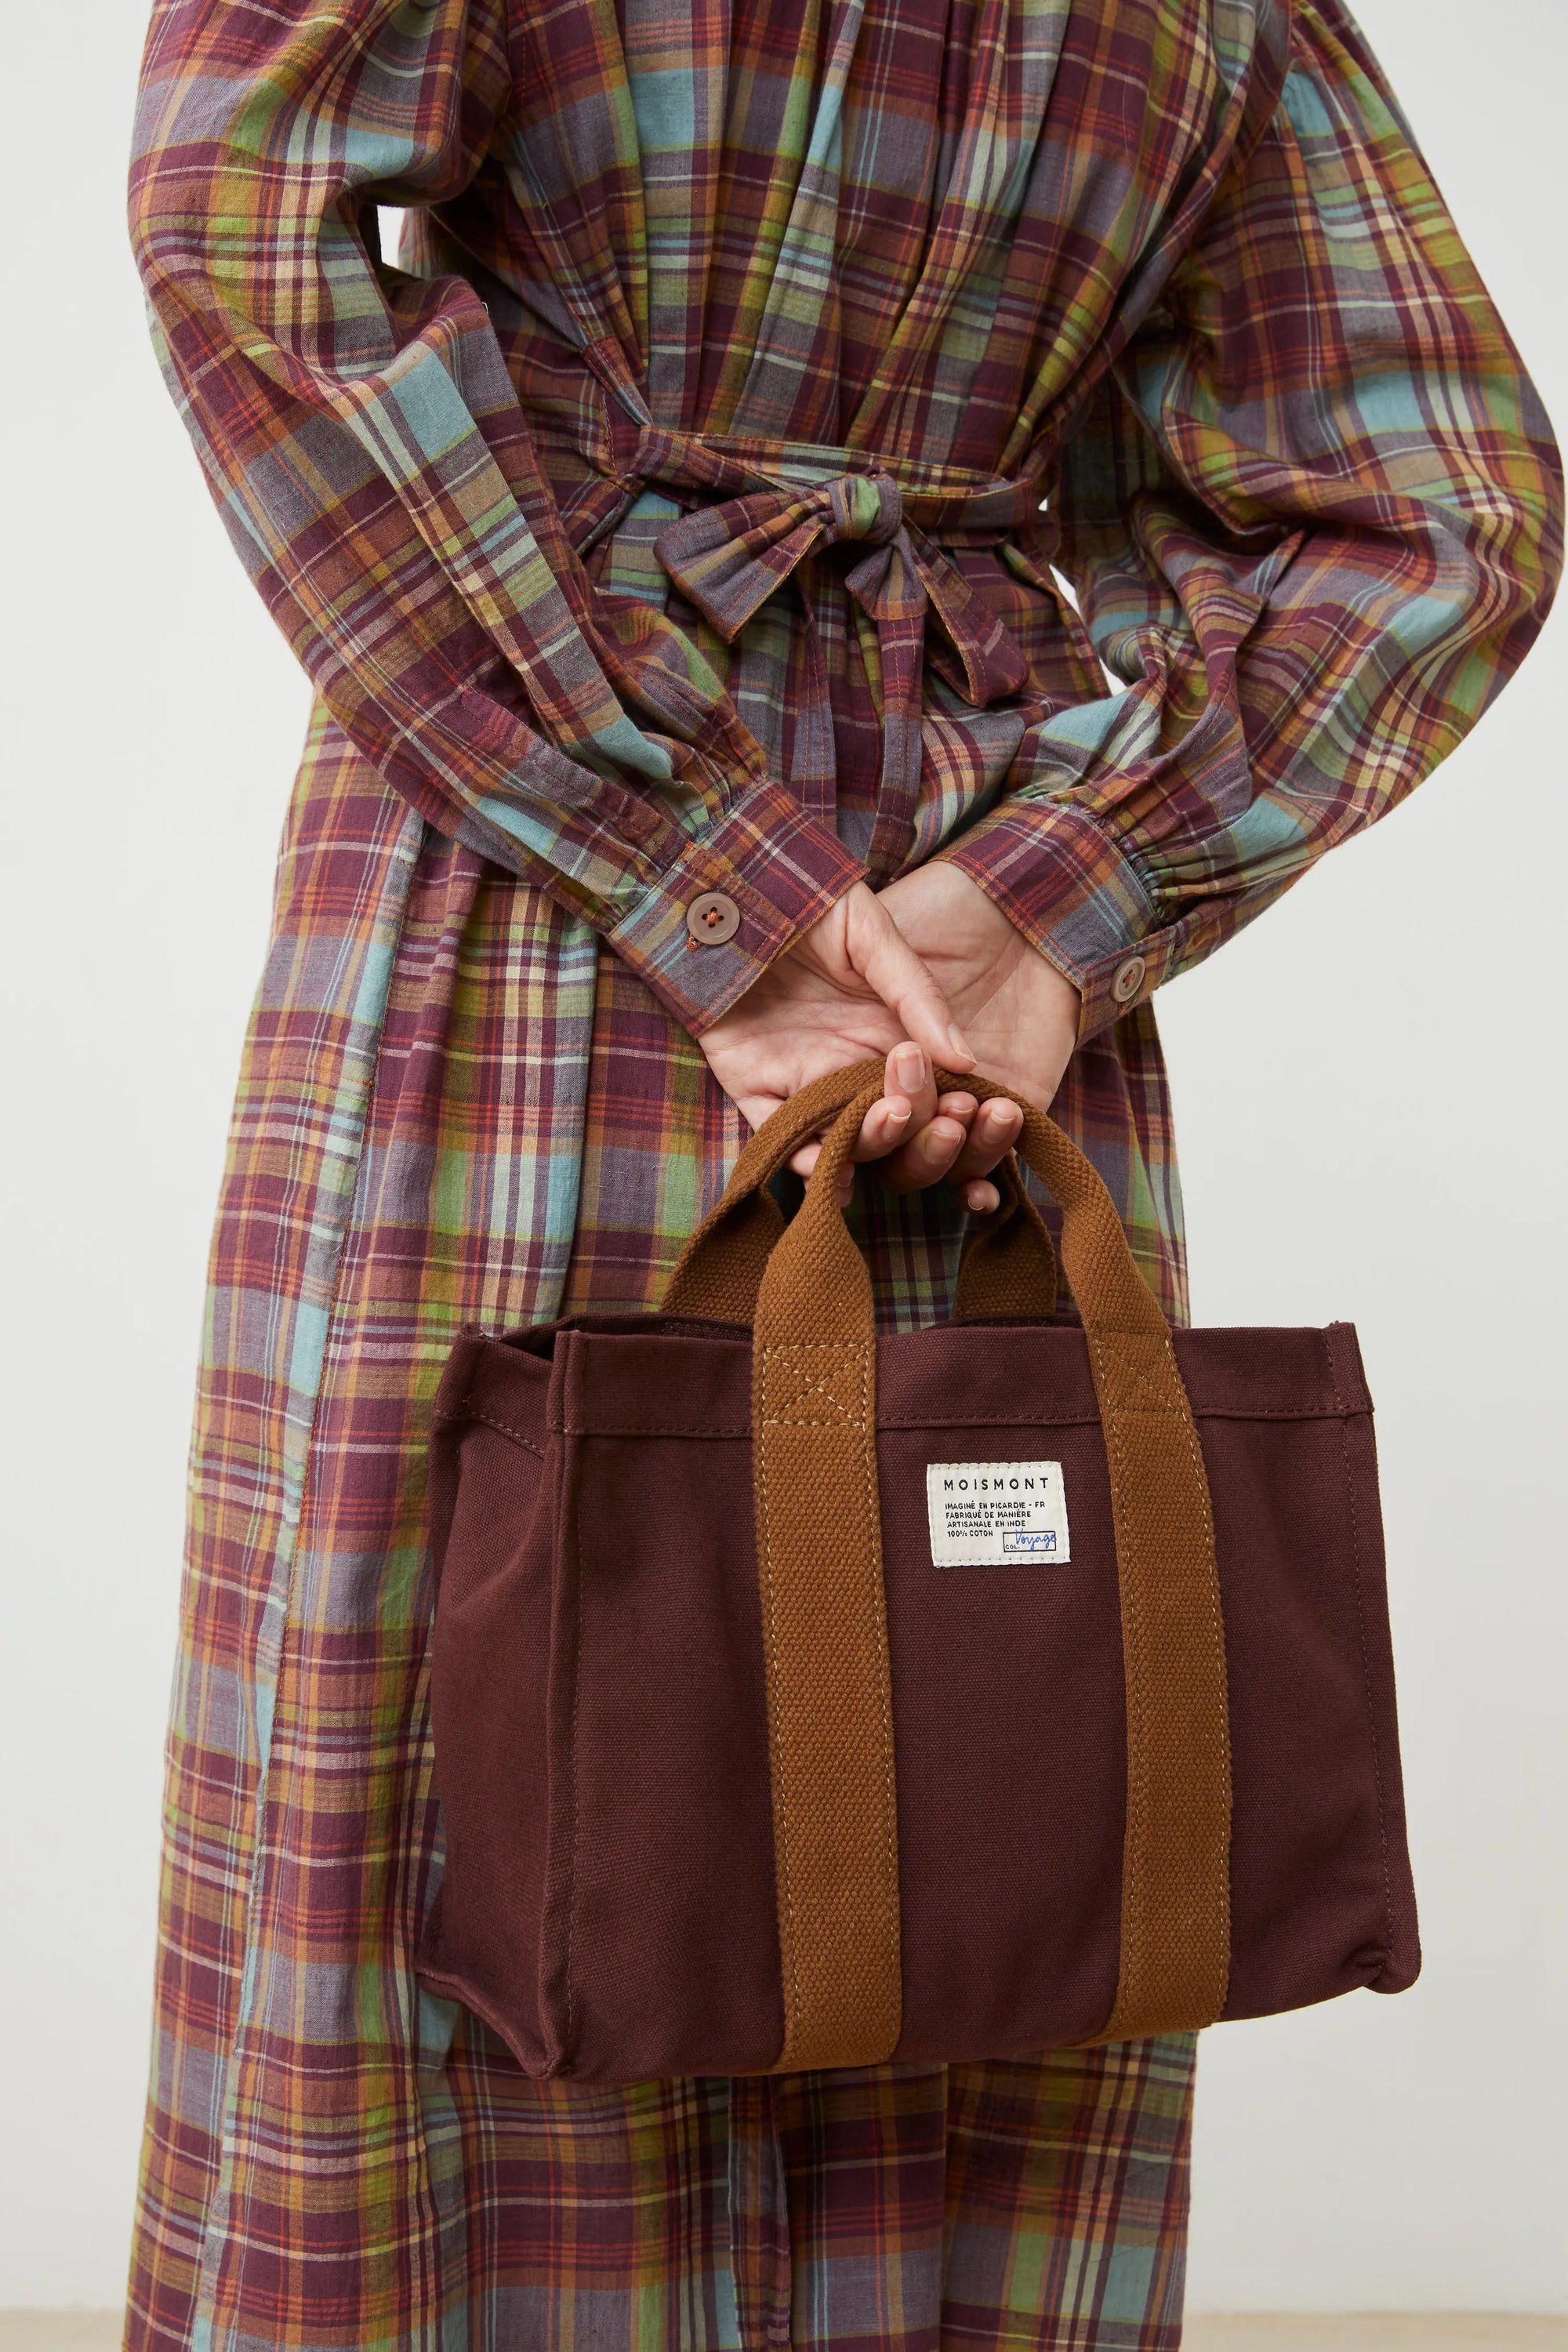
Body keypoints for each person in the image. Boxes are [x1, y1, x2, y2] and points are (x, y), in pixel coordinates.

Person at [124, 0, 1560, 2343]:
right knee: (990, 1747)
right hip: (966, 938)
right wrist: (1062, 896)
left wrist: (690, 853)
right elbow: (1446, 500)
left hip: (527, 875)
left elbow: (244, 217)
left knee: (510, 1773)